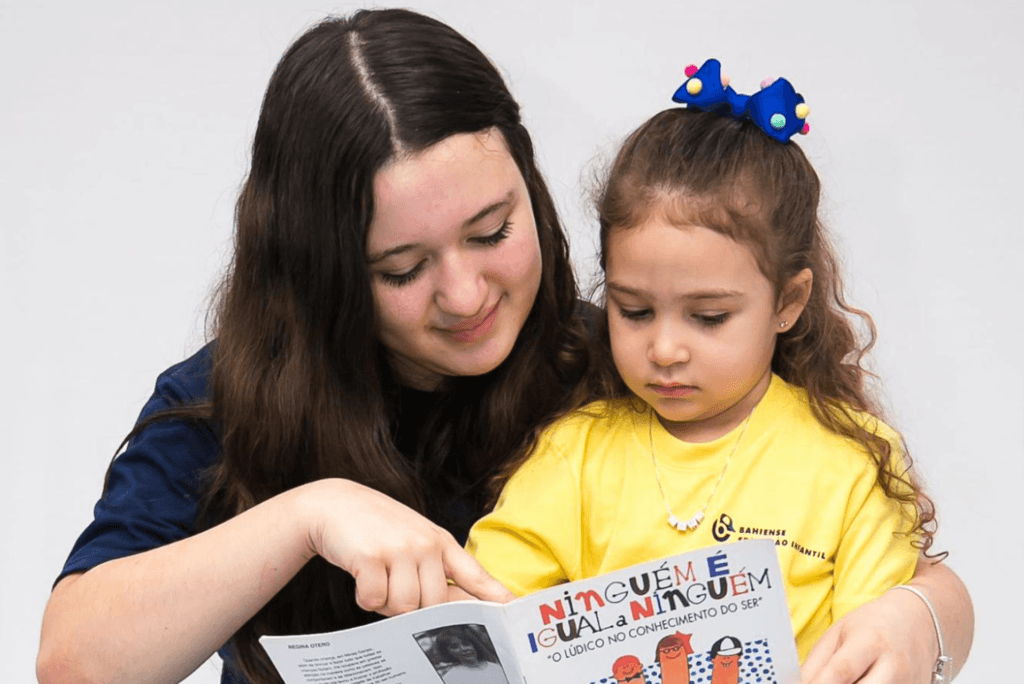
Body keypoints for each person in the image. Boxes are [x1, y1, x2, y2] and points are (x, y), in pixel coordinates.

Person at [34, 15, 971, 684]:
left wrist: (925, 618)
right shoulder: (229, 402)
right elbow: (75, 663)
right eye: (401, 266)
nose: (467, 294)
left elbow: (852, 520)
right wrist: (308, 516)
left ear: (531, 184)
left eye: (491, 232)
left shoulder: (621, 365)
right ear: (321, 270)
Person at [467, 61, 970, 682]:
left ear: (787, 302)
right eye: (635, 310)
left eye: (708, 317)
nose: (666, 349)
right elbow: (484, 611)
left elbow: (876, 647)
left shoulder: (847, 462)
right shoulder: (575, 454)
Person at [430, 626, 509, 684]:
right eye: (455, 646)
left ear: (473, 644)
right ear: (447, 652)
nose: (464, 649)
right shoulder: (451, 678)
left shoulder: (495, 667)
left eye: (466, 643)